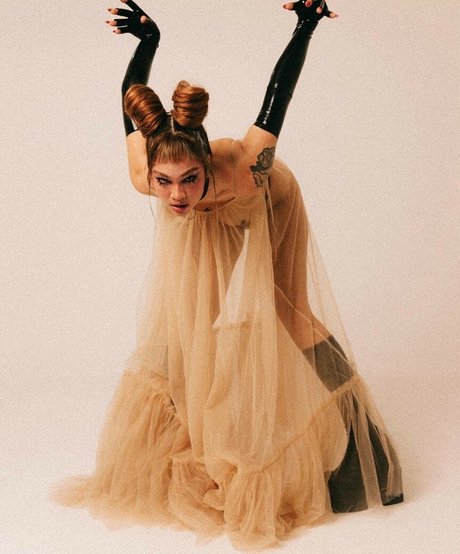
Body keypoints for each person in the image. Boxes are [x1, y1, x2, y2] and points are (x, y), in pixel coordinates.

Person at [49, 1, 403, 549]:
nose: (175, 194)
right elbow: (129, 99)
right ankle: (191, 439)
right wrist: (148, 41)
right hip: (206, 220)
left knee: (289, 311)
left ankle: (366, 446)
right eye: (165, 182)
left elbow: (278, 95)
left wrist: (306, 24)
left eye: (189, 178)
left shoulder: (243, 166)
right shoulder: (148, 176)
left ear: (205, 166)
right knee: (189, 325)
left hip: (264, 202)